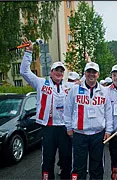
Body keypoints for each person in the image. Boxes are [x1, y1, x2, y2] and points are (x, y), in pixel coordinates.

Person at [20, 37, 72, 179]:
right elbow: (24, 72)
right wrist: (28, 53)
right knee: (48, 159)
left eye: (61, 71)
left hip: (64, 128)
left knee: (66, 159)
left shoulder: (68, 86)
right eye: (56, 70)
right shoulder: (41, 83)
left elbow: (87, 82)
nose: (59, 73)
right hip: (48, 127)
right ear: (51, 71)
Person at [64, 62, 113, 179]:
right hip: (80, 134)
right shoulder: (74, 90)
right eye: (89, 72)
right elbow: (68, 109)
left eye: (94, 72)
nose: (91, 74)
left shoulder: (104, 91)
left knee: (96, 167)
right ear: (84, 74)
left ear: (98, 74)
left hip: (98, 134)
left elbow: (108, 112)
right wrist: (69, 127)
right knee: (78, 166)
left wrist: (109, 130)